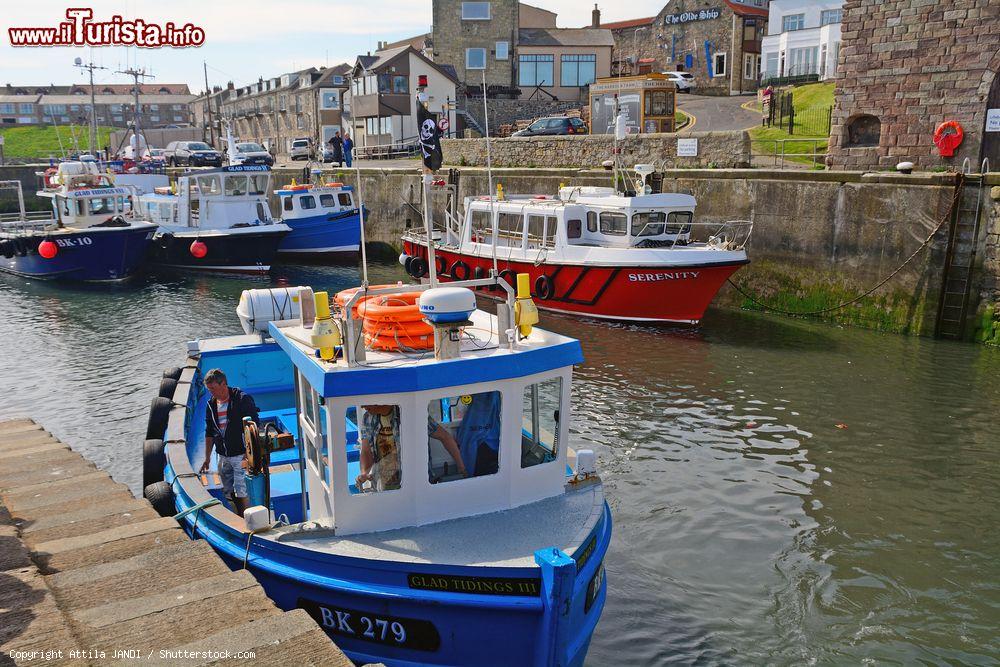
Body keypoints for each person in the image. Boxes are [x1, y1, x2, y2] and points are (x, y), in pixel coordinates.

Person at [356, 405, 466, 491]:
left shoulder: (411, 413)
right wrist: (364, 473)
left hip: (415, 485)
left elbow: (445, 437)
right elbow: (366, 450)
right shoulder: (367, 417)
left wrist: (462, 469)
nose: (362, 407)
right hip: (382, 486)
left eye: (366, 402)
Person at [199, 368, 259, 516]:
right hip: (223, 455)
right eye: (209, 389)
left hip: (241, 454)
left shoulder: (242, 399)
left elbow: (253, 426)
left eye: (213, 388)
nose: (211, 392)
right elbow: (209, 432)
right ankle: (238, 515)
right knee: (228, 490)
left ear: (223, 384)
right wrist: (207, 458)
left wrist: (248, 452)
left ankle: (248, 521)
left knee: (241, 488)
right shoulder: (211, 405)